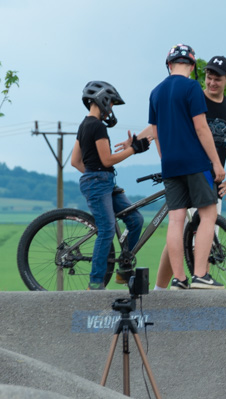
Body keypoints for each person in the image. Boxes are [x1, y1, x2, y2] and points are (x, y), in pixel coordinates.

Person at [152, 55, 226, 290]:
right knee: (188, 232)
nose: (211, 83)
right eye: (208, 77)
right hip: (197, 170)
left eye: (217, 79)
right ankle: (184, 282)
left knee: (182, 229)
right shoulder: (192, 94)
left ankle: (177, 283)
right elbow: (161, 124)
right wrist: (137, 141)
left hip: (209, 178)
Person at [70, 81, 149, 290]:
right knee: (106, 229)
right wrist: (134, 149)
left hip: (101, 182)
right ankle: (95, 283)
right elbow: (107, 160)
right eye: (112, 103)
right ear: (102, 100)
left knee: (135, 219)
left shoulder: (84, 125)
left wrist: (94, 175)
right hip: (99, 182)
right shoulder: (97, 127)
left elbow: (75, 162)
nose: (111, 109)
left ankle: (124, 269)